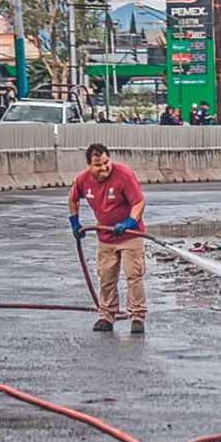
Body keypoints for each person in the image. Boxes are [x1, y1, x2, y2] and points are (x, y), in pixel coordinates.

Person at [67, 143, 148, 335]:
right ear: (89, 165)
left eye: (105, 163)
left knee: (133, 276)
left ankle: (137, 317)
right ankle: (106, 315)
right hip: (105, 238)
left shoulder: (123, 175)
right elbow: (72, 198)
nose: (103, 168)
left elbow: (139, 202)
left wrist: (129, 222)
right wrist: (75, 222)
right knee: (106, 277)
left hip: (130, 236)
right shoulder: (83, 180)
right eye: (98, 165)